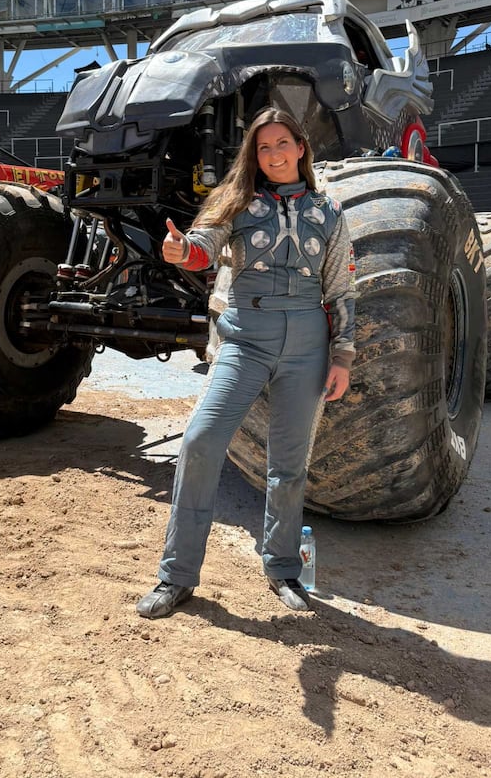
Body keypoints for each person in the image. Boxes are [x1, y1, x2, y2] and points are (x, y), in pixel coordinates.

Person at [136, 108, 356, 619]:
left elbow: (342, 289)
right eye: (263, 147)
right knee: (200, 441)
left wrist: (342, 356)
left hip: (308, 346)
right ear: (254, 155)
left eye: (282, 143)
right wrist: (181, 249)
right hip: (245, 340)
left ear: (301, 147)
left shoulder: (329, 211)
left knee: (289, 464)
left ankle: (283, 569)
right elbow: (202, 248)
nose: (274, 154)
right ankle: (176, 575)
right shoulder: (235, 200)